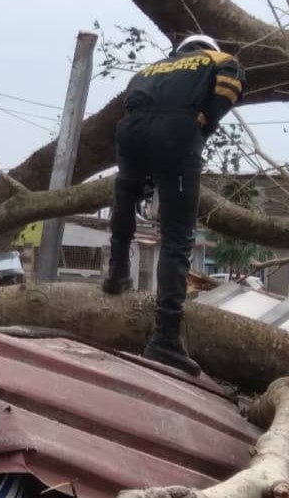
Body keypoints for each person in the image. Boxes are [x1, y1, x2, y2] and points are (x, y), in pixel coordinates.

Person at [101, 34, 245, 376]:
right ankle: (165, 336)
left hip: (131, 131)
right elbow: (232, 79)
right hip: (177, 133)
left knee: (126, 191)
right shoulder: (217, 59)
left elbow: (131, 104)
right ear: (205, 48)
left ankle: (117, 273)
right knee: (178, 236)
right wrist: (205, 121)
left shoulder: (149, 70)